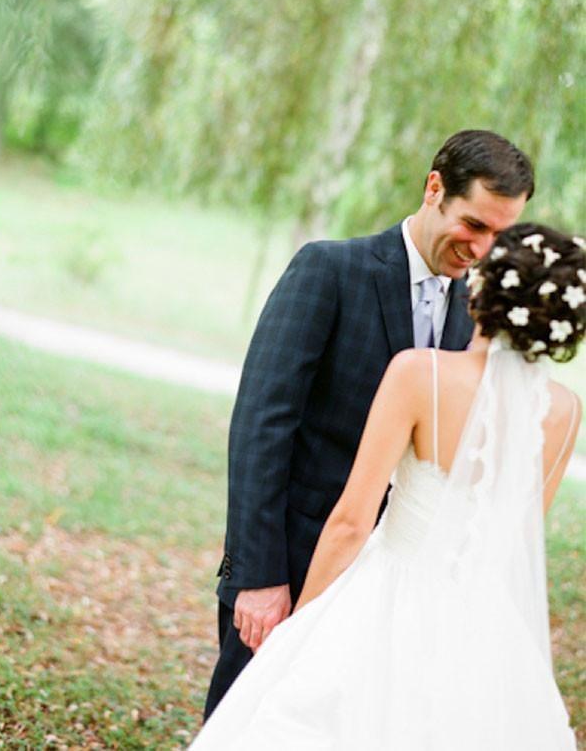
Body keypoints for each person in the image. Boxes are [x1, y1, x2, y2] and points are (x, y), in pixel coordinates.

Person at [193, 222, 585, 749]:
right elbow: (516, 540)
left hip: (385, 596)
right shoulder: (563, 411)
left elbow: (351, 523)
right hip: (480, 621)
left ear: (486, 292)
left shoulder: (419, 375)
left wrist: (299, 632)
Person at [204, 130, 534, 718]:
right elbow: (261, 427)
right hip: (293, 565)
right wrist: (258, 577)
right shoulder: (330, 270)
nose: (484, 249)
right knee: (249, 722)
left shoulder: (477, 315)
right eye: (474, 225)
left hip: (391, 598)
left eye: (500, 236)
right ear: (434, 188)